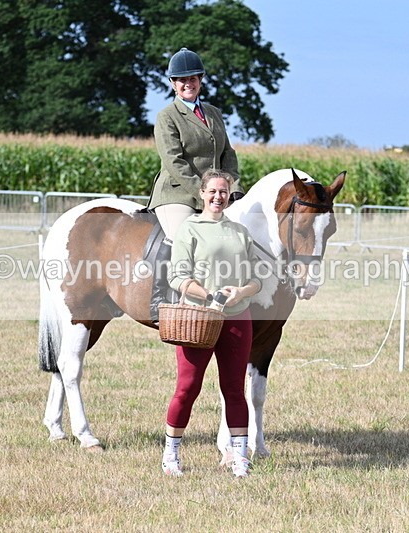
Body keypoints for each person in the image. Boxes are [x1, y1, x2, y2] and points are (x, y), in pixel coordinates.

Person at [161, 170, 262, 478]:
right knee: (188, 387)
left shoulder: (240, 231)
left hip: (237, 317)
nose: (219, 196)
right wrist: (209, 295)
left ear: (230, 195)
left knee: (234, 388)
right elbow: (177, 277)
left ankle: (239, 455)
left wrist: (241, 292)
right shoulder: (190, 228)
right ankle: (171, 453)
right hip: (199, 318)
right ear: (202, 194)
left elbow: (256, 279)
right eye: (213, 191)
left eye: (224, 191)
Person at [147, 47, 244, 324]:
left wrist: (232, 184)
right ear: (172, 84)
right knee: (181, 237)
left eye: (193, 78)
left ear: (200, 80)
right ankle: (158, 299)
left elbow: (228, 152)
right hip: (177, 192)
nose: (188, 84)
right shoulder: (168, 116)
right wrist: (204, 194)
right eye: (181, 80)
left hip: (214, 193)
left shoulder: (213, 113)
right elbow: (174, 161)